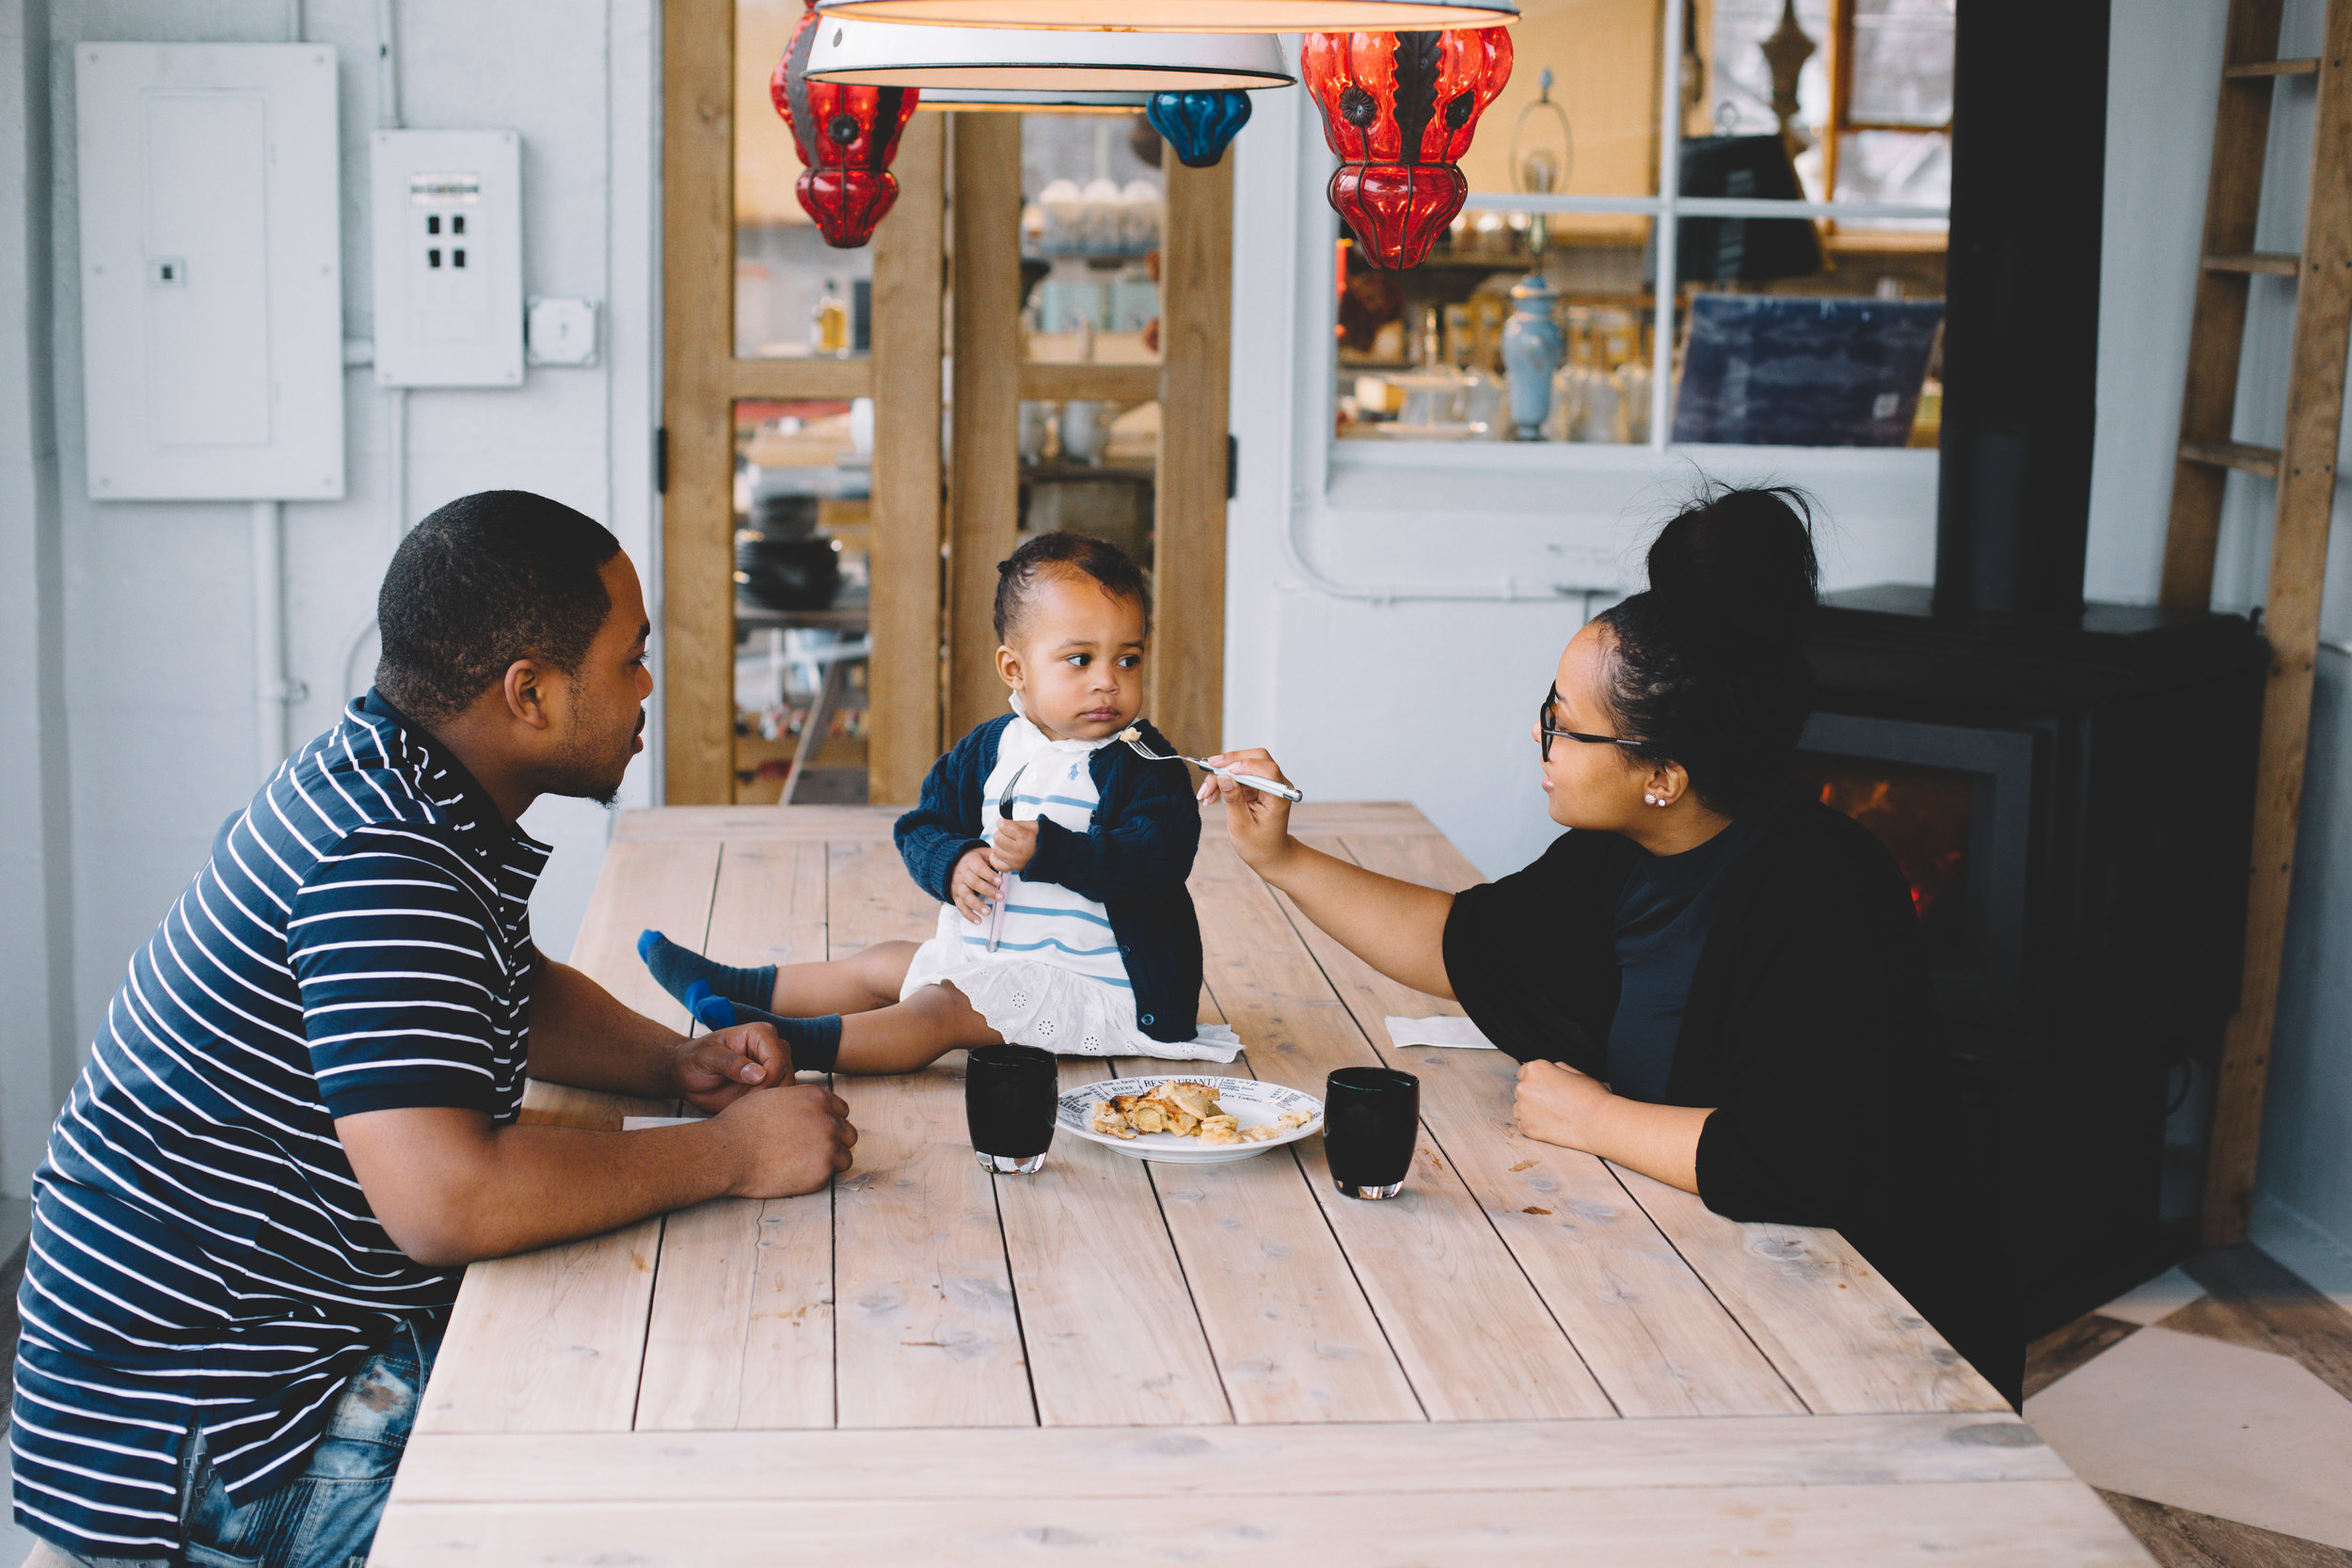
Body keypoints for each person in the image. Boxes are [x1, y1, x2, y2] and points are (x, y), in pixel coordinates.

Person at [9, 492, 857, 1568]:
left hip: (261, 1347)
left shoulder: (402, 782)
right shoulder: (381, 856)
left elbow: (509, 984)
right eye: (629, 658)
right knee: (671, 1501)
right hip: (214, 1427)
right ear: (531, 693)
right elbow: (449, 1198)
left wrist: (674, 1062)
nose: (648, 687)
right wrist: (732, 1153)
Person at [1199, 486, 2022, 1406]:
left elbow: (1792, 1161)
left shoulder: (1821, 890)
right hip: (1706, 1262)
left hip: (1878, 1329)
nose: (1538, 737)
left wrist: (1593, 1117)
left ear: (1663, 774)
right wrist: (1280, 857)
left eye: (1565, 724)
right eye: (1546, 706)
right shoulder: (1617, 855)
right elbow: (1464, 944)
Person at [639, 531, 1238, 1070]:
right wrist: (952, 862)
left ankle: (798, 1042)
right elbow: (921, 825)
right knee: (881, 963)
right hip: (996, 962)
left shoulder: (1145, 761)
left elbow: (1157, 860)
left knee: (942, 1010)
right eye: (1079, 659)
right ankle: (730, 984)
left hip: (1100, 990)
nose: (1107, 680)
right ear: (1016, 668)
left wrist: (1052, 851)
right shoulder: (991, 748)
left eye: (1127, 658)